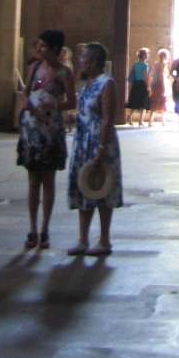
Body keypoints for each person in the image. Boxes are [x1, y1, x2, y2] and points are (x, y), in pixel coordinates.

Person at [16, 29, 76, 250]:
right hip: (32, 127)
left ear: (54, 49)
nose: (39, 49)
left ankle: (44, 229)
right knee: (33, 180)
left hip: (50, 131)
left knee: (48, 180)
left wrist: (54, 104)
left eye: (43, 46)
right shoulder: (34, 67)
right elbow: (26, 91)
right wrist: (26, 102)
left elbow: (72, 101)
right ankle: (32, 228)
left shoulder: (64, 72)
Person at [67, 42, 123, 256]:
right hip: (83, 139)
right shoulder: (88, 82)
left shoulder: (107, 83)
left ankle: (104, 240)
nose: (80, 61)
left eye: (83, 58)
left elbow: (108, 118)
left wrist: (101, 148)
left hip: (100, 141)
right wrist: (77, 117)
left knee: (101, 188)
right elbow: (89, 110)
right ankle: (83, 240)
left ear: (93, 61)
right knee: (85, 186)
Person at [125, 48, 151, 126]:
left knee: (135, 102)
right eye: (147, 54)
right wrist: (148, 86)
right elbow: (145, 76)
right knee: (143, 103)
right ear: (143, 55)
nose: (148, 56)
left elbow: (132, 72)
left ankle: (129, 117)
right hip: (142, 84)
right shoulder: (145, 65)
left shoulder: (135, 64)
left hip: (136, 84)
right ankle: (141, 121)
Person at [149, 48, 170, 124]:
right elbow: (161, 75)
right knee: (162, 101)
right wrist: (163, 86)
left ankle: (150, 120)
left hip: (155, 83)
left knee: (155, 101)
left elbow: (152, 74)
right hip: (161, 83)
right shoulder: (163, 64)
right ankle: (163, 120)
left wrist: (151, 84)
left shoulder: (156, 63)